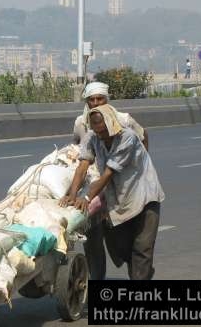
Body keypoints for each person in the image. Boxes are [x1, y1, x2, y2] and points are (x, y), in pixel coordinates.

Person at [61, 104, 165, 280]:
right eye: (97, 132)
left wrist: (87, 197)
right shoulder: (93, 137)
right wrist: (72, 194)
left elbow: (108, 174)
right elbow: (83, 165)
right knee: (121, 248)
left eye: (103, 132)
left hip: (144, 197)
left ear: (112, 125)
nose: (101, 137)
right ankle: (142, 272)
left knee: (141, 250)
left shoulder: (127, 138)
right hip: (119, 199)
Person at [73, 81, 148, 150]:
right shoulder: (80, 123)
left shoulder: (124, 119)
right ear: (87, 102)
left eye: (99, 99)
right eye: (92, 100)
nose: (95, 103)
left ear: (106, 100)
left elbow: (143, 135)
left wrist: (144, 161)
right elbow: (76, 145)